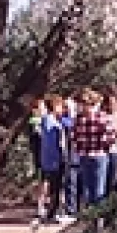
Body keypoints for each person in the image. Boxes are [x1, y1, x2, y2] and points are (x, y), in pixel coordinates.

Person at [70, 88, 116, 207]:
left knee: (88, 190)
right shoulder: (103, 117)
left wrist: (80, 148)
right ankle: (98, 219)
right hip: (100, 155)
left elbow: (74, 138)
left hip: (84, 156)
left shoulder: (78, 119)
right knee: (99, 190)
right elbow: (111, 138)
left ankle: (90, 216)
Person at [35, 95, 76, 223]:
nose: (62, 109)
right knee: (53, 185)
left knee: (56, 186)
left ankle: (52, 210)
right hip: (52, 158)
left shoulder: (56, 120)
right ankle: (50, 210)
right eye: (60, 106)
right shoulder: (48, 120)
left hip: (56, 157)